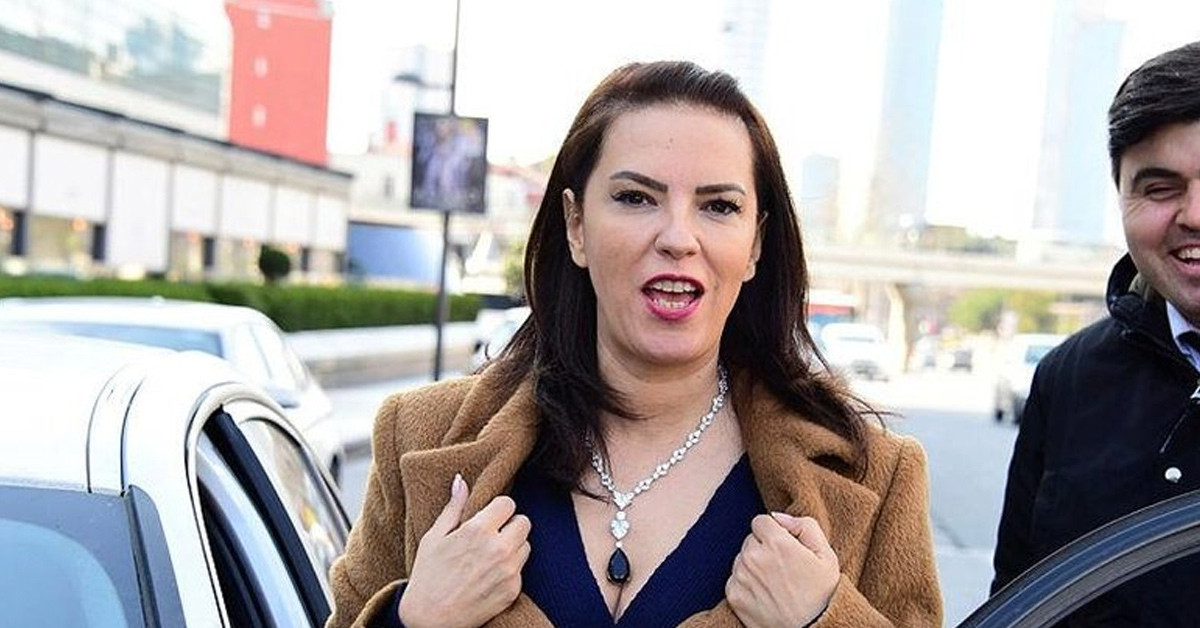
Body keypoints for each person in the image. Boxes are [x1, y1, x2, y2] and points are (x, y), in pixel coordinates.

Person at [326, 61, 941, 628]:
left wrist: (822, 620)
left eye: (719, 206)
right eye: (635, 198)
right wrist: (412, 619)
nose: (678, 237)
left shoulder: (876, 475)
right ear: (576, 226)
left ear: (755, 244)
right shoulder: (420, 435)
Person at [992, 40, 1200, 625]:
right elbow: (1018, 600)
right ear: (1121, 197)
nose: (1194, 215)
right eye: (1160, 188)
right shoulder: (1068, 379)